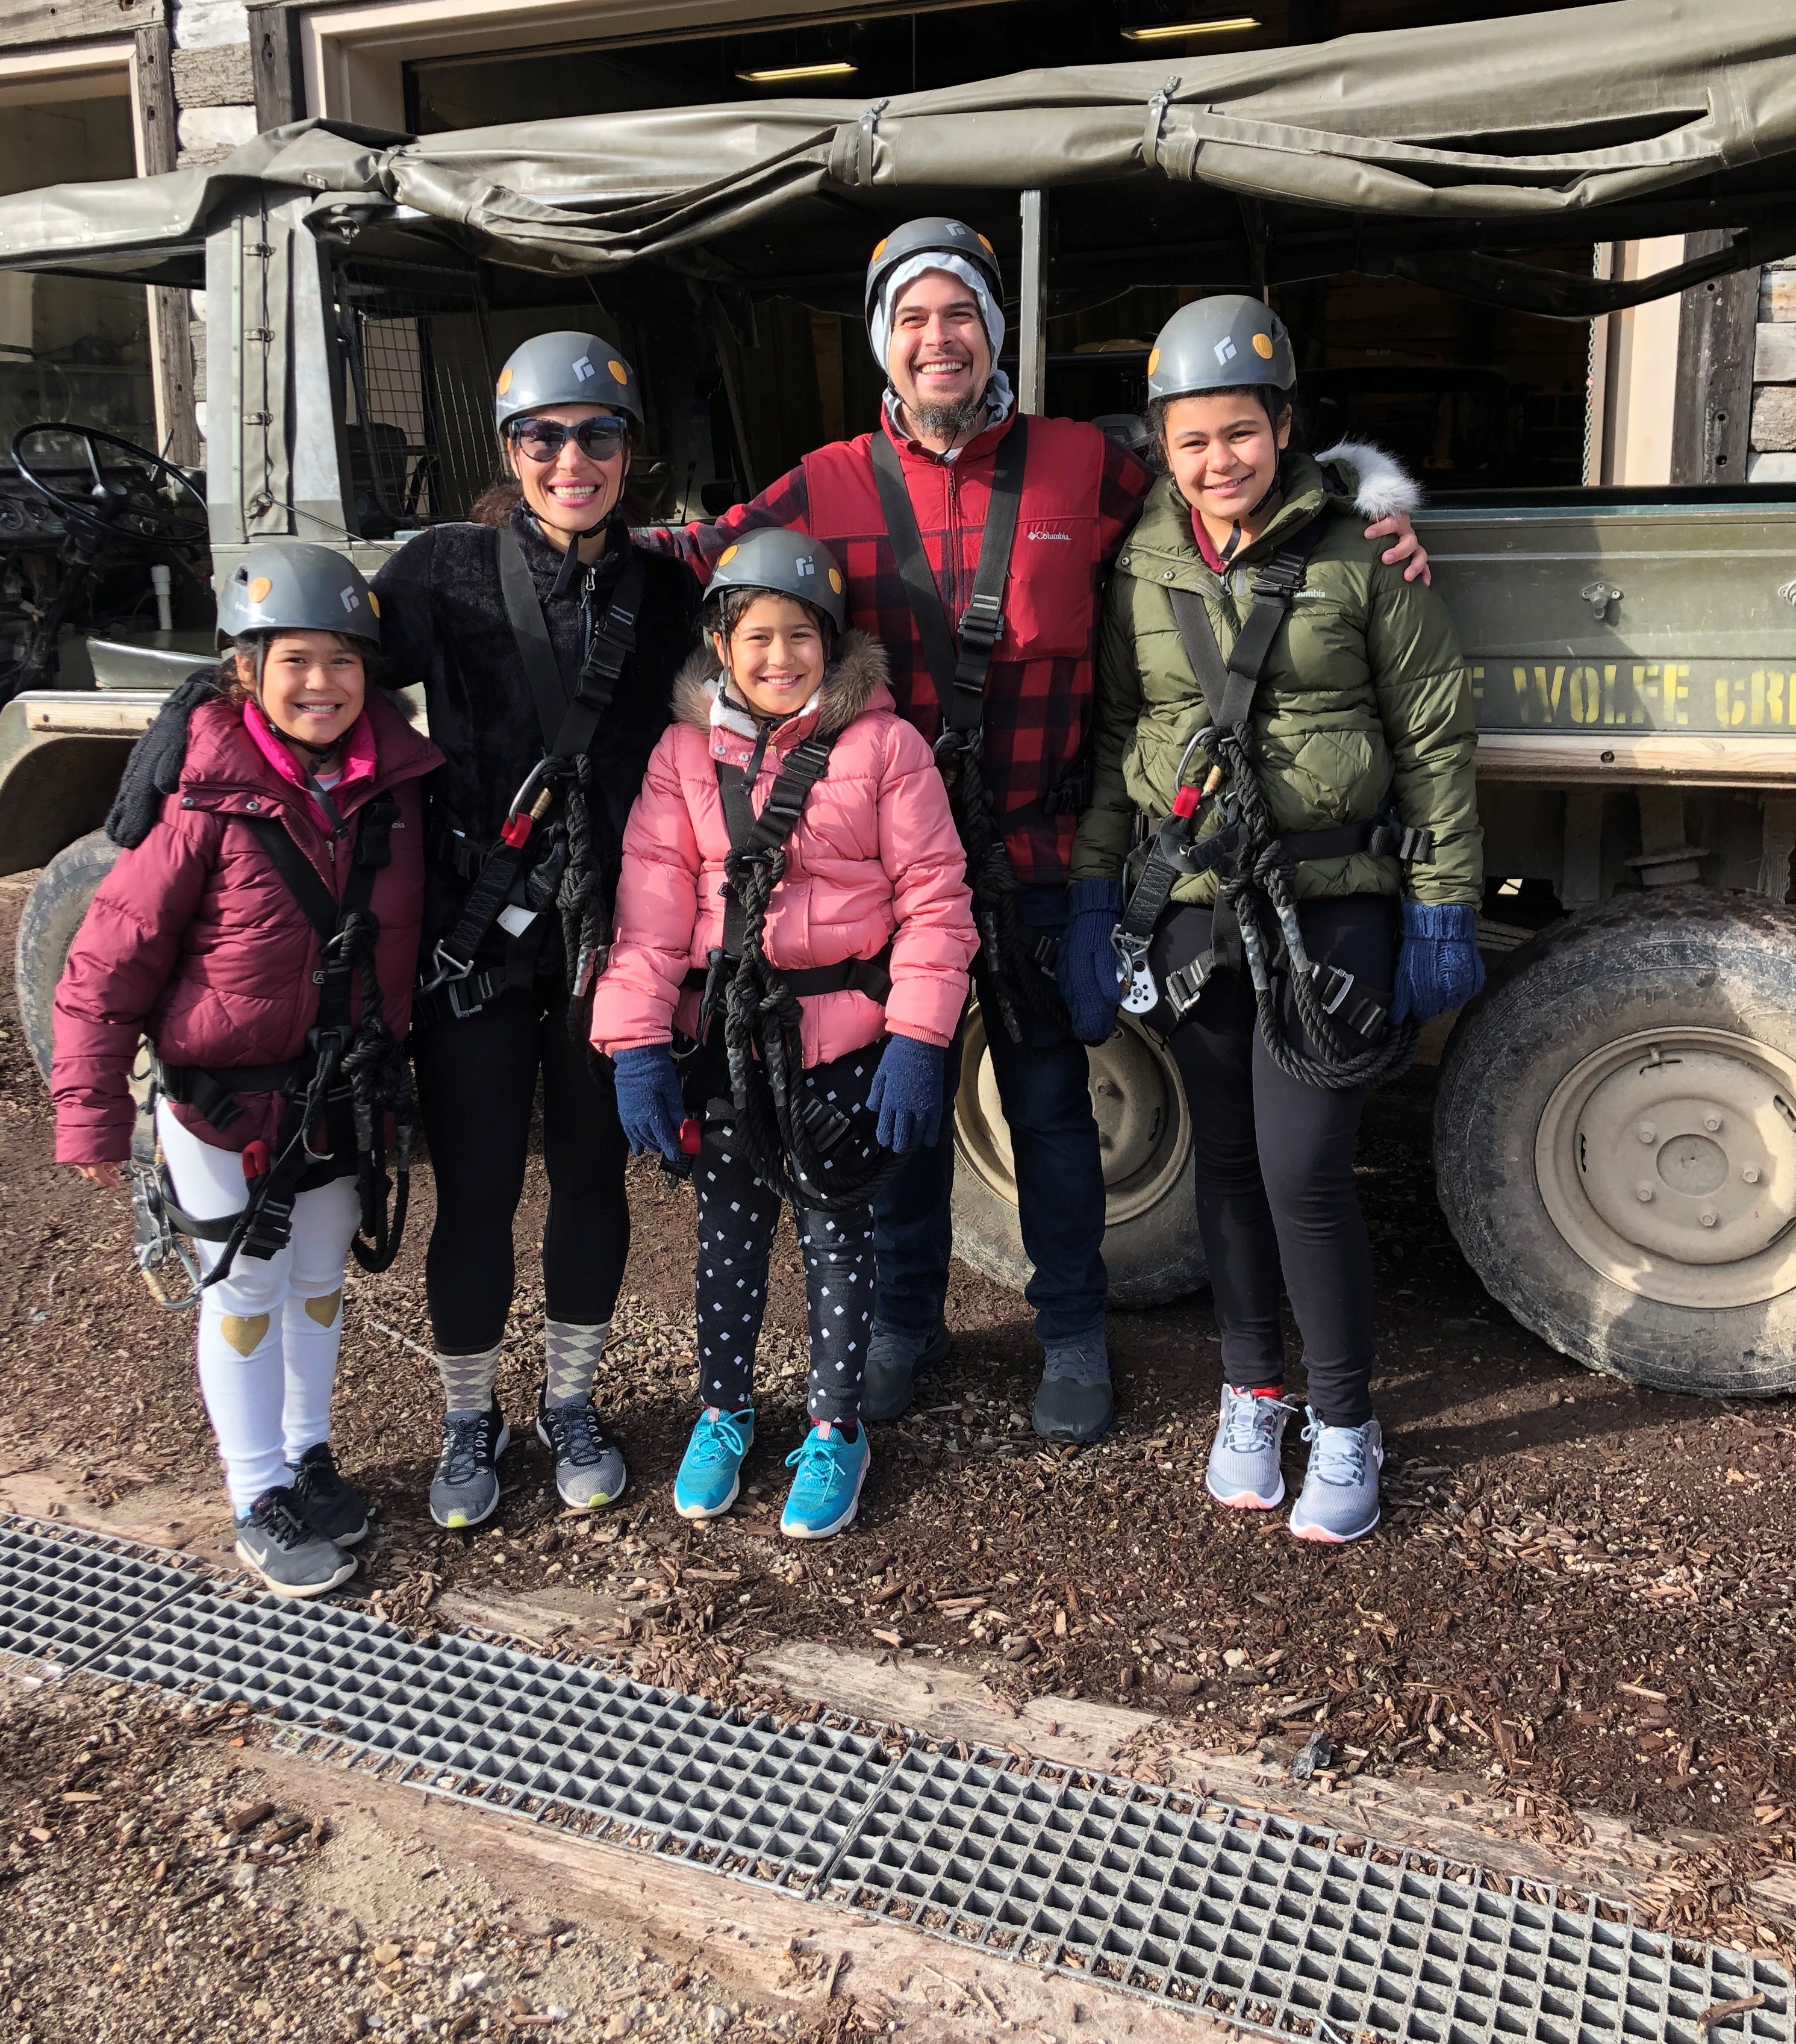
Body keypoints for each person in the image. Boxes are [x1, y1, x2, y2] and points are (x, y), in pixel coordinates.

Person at [640, 220, 1430, 1448]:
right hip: (891, 873)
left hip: (1041, 859)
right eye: (912, 319)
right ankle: (905, 1322)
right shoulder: (825, 485)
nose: (938, 339)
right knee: (895, 1109)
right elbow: (698, 562)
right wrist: (525, 553)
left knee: (1053, 1110)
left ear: (994, 333)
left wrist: (1367, 507)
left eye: (960, 314)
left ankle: (1071, 1329)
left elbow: (1228, 489)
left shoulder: (1085, 468)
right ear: (883, 344)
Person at [1068, 294, 1483, 1543]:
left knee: (1305, 1168)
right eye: (1193, 440)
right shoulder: (1138, 565)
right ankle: (1252, 1392)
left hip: (1331, 902)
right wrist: (1096, 891)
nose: (1219, 461)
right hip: (1194, 904)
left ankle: (1346, 1421)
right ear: (1162, 444)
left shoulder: (1366, 553)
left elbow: (1433, 738)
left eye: (1241, 432)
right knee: (1231, 1165)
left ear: (1287, 426)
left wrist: (1443, 903)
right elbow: (1119, 738)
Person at [51, 546, 440, 1597]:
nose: (322, 684)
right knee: (244, 1290)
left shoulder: (397, 789)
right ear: (246, 671)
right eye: (295, 662)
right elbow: (109, 959)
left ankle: (309, 1455)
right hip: (224, 1103)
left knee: (317, 1285)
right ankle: (255, 1488)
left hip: (339, 1093)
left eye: (343, 661)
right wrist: (89, 1109)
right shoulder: (201, 800)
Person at [374, 331, 701, 1529]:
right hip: (479, 936)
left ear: (629, 451)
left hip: (607, 939)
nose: (573, 459)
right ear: (511, 451)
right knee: (473, 1188)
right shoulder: (445, 571)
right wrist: (185, 742)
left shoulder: (668, 595)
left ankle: (571, 1401)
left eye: (597, 435)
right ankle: (470, 1417)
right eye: (544, 438)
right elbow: (313, 672)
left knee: (591, 1178)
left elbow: (749, 714)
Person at [593, 530, 977, 1538]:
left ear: (832, 644)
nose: (779, 658)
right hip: (728, 1044)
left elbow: (935, 900)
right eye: (757, 637)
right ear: (721, 646)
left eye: (801, 637)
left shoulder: (885, 749)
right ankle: (723, 1411)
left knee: (840, 1239)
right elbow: (650, 913)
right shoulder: (682, 757)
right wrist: (637, 1045)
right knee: (727, 1239)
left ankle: (835, 1427)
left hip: (846, 1043)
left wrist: (919, 1038)